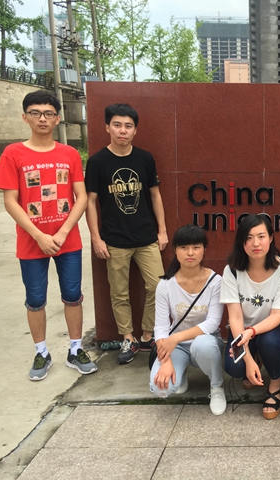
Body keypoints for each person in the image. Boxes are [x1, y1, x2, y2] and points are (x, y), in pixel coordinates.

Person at [0, 91, 97, 380]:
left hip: (68, 241)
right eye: (36, 113)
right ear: (25, 117)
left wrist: (63, 231)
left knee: (73, 295)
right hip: (31, 242)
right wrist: (39, 235)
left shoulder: (69, 154)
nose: (42, 118)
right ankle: (41, 353)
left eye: (48, 113)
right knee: (35, 298)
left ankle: (75, 349)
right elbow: (10, 201)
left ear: (57, 118)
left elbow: (81, 197)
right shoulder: (13, 153)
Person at [85, 104, 169, 364]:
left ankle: (147, 335)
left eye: (128, 126)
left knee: (158, 286)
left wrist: (162, 230)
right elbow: (90, 202)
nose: (123, 130)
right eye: (117, 125)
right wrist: (96, 238)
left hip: (146, 237)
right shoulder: (97, 162)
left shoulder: (145, 158)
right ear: (107, 127)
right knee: (119, 293)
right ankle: (128, 338)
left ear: (135, 130)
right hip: (114, 240)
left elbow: (155, 195)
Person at [220, 214, 280, 420]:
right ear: (241, 241)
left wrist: (251, 332)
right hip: (242, 328)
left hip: (276, 326)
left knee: (268, 341)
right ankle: (256, 357)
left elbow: (277, 316)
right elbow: (235, 317)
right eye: (249, 237)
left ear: (270, 238)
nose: (255, 243)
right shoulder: (232, 270)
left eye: (261, 236)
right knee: (235, 368)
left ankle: (275, 384)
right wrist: (248, 359)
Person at [149, 224, 226, 415]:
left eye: (196, 247)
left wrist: (175, 338)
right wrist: (166, 360)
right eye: (184, 247)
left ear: (204, 250)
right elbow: (161, 328)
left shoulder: (216, 281)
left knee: (203, 344)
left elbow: (212, 323)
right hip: (176, 347)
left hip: (207, 342)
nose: (190, 253)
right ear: (175, 250)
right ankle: (180, 373)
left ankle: (217, 386)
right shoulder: (165, 285)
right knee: (161, 388)